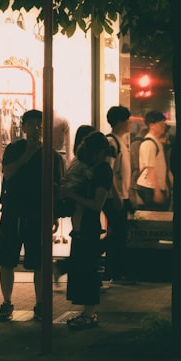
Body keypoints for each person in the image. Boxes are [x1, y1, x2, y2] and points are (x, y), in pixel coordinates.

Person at [0, 109, 57, 321]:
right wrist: (28, 155)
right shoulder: (14, 149)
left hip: (37, 214)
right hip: (13, 211)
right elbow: (8, 172)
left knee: (39, 262)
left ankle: (40, 304)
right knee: (6, 260)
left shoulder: (51, 153)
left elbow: (55, 186)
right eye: (32, 124)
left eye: (40, 124)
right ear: (24, 127)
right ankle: (7, 302)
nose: (36, 128)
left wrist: (54, 214)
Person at [62, 131, 113, 328]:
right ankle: (87, 313)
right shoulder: (92, 169)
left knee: (87, 272)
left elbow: (96, 204)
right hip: (82, 227)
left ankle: (89, 314)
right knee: (82, 271)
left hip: (89, 227)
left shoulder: (102, 171)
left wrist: (70, 194)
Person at [102, 105, 134, 283]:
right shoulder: (112, 142)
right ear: (121, 122)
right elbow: (109, 171)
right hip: (113, 196)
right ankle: (117, 272)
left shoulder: (120, 141)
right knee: (119, 234)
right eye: (127, 120)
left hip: (120, 195)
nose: (129, 123)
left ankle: (112, 271)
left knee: (117, 234)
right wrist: (115, 196)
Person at [135, 110, 172, 212]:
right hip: (149, 187)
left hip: (153, 187)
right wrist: (157, 191)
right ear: (151, 125)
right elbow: (150, 168)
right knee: (154, 217)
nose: (163, 126)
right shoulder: (149, 143)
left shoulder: (155, 141)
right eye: (161, 124)